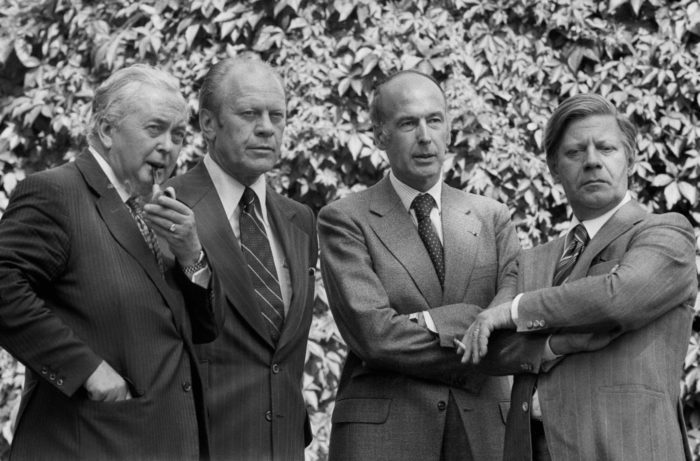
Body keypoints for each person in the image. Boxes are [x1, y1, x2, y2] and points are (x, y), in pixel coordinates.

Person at [317, 70, 559, 461]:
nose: (425, 137)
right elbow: (374, 336)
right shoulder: (344, 219)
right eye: (408, 123)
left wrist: (427, 322)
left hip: (485, 432)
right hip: (386, 437)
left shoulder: (492, 217)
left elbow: (512, 319)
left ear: (449, 128)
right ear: (380, 136)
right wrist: (472, 321)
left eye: (435, 120)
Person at [0, 64, 222, 460]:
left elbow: (206, 329)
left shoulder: (158, 211)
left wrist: (193, 256)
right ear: (106, 130)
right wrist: (86, 369)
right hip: (87, 444)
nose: (169, 146)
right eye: (155, 129)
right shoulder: (56, 192)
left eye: (178, 136)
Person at [459, 93, 697, 461]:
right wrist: (556, 345)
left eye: (606, 148)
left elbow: (618, 299)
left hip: (626, 449)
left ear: (630, 158)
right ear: (554, 168)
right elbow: (490, 348)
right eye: (574, 153)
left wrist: (515, 310)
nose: (591, 161)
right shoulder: (531, 260)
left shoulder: (665, 234)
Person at [168, 57, 318, 461]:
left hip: (285, 447)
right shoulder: (166, 208)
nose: (267, 127)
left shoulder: (300, 220)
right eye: (249, 113)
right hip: (200, 447)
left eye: (277, 115)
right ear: (208, 124)